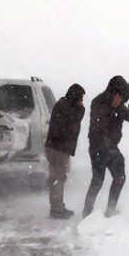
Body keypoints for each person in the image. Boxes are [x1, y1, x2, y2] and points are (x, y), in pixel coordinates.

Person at [83, 75, 129, 218]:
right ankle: (87, 213)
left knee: (120, 177)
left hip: (111, 146)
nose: (120, 99)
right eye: (119, 95)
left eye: (122, 97)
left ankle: (110, 210)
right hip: (97, 147)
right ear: (113, 92)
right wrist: (108, 147)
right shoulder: (98, 102)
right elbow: (99, 126)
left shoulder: (118, 105)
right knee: (98, 180)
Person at [44, 83, 86, 219]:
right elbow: (71, 124)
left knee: (59, 177)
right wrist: (80, 110)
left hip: (58, 148)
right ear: (75, 97)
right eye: (81, 98)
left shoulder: (65, 105)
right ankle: (56, 209)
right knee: (57, 178)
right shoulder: (65, 107)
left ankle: (58, 206)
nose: (82, 101)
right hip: (57, 149)